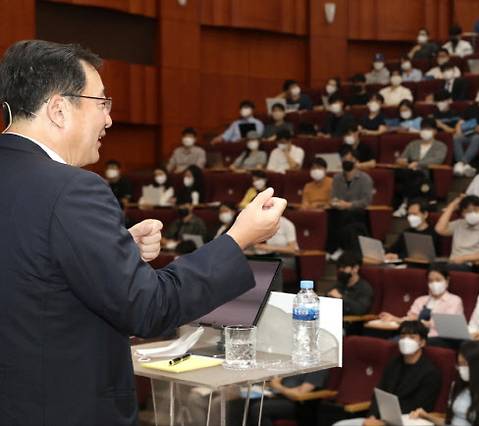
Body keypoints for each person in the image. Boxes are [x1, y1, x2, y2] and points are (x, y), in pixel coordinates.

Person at [0, 40, 285, 426]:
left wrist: (115, 249)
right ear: (59, 109)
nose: (108, 120)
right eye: (102, 103)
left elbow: (28, 263)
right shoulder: (73, 190)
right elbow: (150, 308)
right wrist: (238, 239)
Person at [334, 321, 441, 426]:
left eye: (412, 337)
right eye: (403, 337)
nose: (406, 341)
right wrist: (372, 416)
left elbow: (419, 407)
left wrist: (384, 421)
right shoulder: (394, 363)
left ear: (422, 342)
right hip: (380, 418)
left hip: (406, 421)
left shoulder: (430, 373)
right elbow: (380, 392)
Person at [411, 341, 479, 426]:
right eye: (460, 364)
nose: (462, 369)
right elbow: (449, 422)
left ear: (478, 366)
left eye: (465, 364)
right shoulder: (457, 386)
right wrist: (426, 416)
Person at [379, 267, 464, 341]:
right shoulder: (421, 300)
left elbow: (448, 326)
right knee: (392, 342)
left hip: (437, 339)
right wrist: (395, 319)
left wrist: (424, 323)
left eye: (438, 280)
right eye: (431, 281)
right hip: (414, 336)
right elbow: (410, 320)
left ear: (447, 280)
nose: (434, 284)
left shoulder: (454, 300)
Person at [326, 147, 373, 259]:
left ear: (356, 161)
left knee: (348, 218)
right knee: (332, 215)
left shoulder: (365, 179)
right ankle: (332, 249)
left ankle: (344, 249)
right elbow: (333, 197)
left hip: (357, 212)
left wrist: (349, 205)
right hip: (339, 210)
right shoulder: (337, 178)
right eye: (344, 160)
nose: (346, 162)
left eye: (349, 159)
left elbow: (366, 201)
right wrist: (336, 203)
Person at [393, 118, 447, 213]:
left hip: (425, 173)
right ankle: (406, 204)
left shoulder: (441, 146)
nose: (425, 131)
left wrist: (418, 164)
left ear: (435, 131)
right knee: (402, 173)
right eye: (423, 129)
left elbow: (437, 160)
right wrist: (401, 161)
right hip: (409, 171)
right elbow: (403, 157)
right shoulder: (413, 144)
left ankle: (405, 203)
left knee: (415, 175)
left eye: (428, 129)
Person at [436, 195, 479, 271]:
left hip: (473, 264)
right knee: (434, 266)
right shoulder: (459, 224)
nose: (473, 213)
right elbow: (439, 229)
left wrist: (464, 258)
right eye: (468, 211)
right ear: (462, 214)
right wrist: (451, 207)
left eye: (476, 210)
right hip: (453, 262)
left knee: (444, 269)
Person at [248, 370, 329, 426]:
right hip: (280, 396)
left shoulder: (317, 369)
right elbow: (278, 384)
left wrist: (277, 386)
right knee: (245, 402)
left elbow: (299, 395)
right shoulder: (295, 365)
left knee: (259, 408)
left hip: (300, 405)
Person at [327, 251, 373, 316]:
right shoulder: (340, 284)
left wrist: (341, 298)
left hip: (352, 321)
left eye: (344, 267)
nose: (341, 270)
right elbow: (328, 295)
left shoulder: (364, 288)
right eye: (339, 268)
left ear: (355, 268)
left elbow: (361, 309)